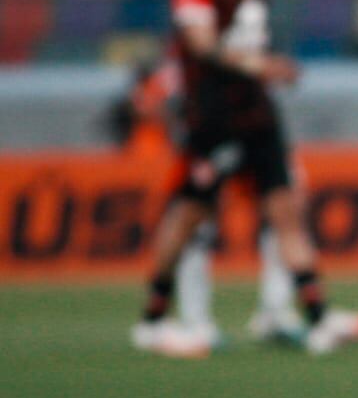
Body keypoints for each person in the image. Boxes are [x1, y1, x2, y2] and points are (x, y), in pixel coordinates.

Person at [130, 0, 358, 359]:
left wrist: (264, 70)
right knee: (189, 215)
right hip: (212, 115)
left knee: (286, 206)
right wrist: (262, 66)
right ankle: (154, 319)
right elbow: (201, 44)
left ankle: (317, 316)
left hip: (256, 111)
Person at [108, 59, 304, 348]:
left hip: (240, 149)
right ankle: (192, 321)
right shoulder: (189, 67)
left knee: (281, 217)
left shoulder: (236, 60)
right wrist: (184, 129)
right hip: (210, 151)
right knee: (197, 229)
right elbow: (144, 103)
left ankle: (274, 311)